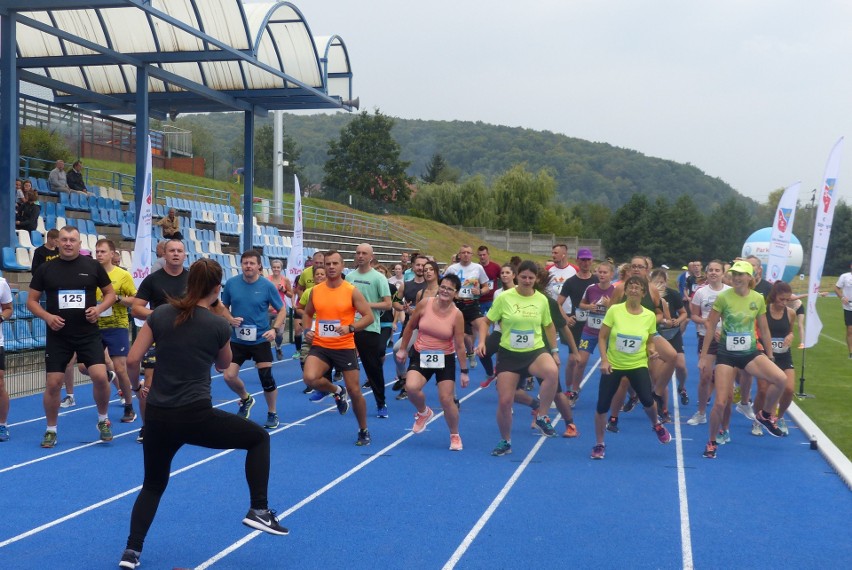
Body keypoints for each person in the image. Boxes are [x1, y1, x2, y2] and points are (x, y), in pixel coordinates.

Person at [119, 259, 287, 570]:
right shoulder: (218, 325)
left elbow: (132, 359)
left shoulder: (160, 315)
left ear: (188, 283)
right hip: (195, 416)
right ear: (215, 288)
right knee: (258, 438)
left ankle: (131, 552)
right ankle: (259, 510)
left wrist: (138, 385)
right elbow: (224, 364)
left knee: (153, 484)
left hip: (157, 415)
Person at [27, 226, 117, 448]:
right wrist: (48, 317)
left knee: (99, 376)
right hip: (59, 336)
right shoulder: (46, 269)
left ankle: (103, 419)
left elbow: (110, 294)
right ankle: (51, 429)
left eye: (72, 240)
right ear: (57, 243)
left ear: (79, 243)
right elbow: (31, 301)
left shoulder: (93, 266)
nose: (68, 243)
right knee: (53, 383)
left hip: (87, 334)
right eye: (64, 240)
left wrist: (98, 309)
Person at [699, 260, 788, 460]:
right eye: (734, 274)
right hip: (726, 354)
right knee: (721, 402)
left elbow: (764, 328)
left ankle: (765, 415)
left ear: (750, 277)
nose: (737, 278)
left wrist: (770, 354)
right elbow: (711, 326)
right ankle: (712, 441)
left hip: (749, 353)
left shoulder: (757, 298)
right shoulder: (723, 298)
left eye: (741, 274)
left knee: (780, 379)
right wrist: (705, 357)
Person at [477, 260, 561, 456]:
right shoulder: (504, 298)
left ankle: (542, 416)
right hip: (509, 354)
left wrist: (555, 351)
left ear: (536, 279)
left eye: (531, 278)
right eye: (523, 277)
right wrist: (482, 342)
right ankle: (505, 441)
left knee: (552, 372)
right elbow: (485, 321)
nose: (527, 280)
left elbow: (548, 325)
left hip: (534, 351)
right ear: (517, 276)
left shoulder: (541, 300)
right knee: (505, 401)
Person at [590, 275, 672, 459]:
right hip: (614, 365)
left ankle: (656, 425)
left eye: (638, 287)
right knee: (602, 405)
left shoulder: (649, 316)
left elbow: (650, 341)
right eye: (630, 287)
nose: (633, 290)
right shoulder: (615, 311)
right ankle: (599, 444)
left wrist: (652, 351)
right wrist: (604, 360)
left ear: (643, 293)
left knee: (647, 400)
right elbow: (602, 337)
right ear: (625, 291)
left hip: (637, 364)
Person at [301, 250, 375, 446]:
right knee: (309, 377)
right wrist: (308, 329)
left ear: (342, 267)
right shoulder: (316, 291)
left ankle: (363, 429)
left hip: (344, 346)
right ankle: (336, 390)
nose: (331, 267)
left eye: (335, 264)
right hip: (321, 345)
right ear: (322, 267)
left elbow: (369, 316)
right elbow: (307, 313)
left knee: (355, 390)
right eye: (328, 264)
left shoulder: (351, 290)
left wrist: (351, 327)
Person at [396, 273, 469, 450]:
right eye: (442, 287)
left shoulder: (457, 315)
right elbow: (410, 326)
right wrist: (403, 348)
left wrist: (464, 372)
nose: (444, 291)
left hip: (444, 357)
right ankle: (424, 412)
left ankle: (455, 435)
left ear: (456, 294)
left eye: (449, 289)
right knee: (411, 387)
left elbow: (459, 345)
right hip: (422, 353)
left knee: (446, 399)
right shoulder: (425, 304)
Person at [131, 239, 190, 443]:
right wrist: (158, 314)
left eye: (179, 251)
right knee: (149, 385)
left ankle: (182, 424)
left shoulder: (193, 280)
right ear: (164, 254)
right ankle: (148, 426)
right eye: (171, 250)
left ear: (185, 255)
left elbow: (208, 305)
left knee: (185, 385)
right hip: (158, 338)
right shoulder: (153, 280)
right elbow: (136, 308)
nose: (175, 254)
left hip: (187, 339)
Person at [221, 251, 288, 429]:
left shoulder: (267, 286)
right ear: (241, 265)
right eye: (245, 263)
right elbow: (223, 307)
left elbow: (282, 310)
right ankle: (246, 398)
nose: (248, 266)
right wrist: (230, 318)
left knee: (266, 378)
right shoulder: (231, 284)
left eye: (252, 263)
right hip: (238, 339)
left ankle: (272, 412)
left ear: (259, 266)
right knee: (228, 375)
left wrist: (274, 329)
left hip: (260, 338)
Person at [92, 239, 138, 423]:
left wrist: (116, 298)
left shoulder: (122, 275)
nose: (99, 255)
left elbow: (135, 299)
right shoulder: (90, 273)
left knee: (120, 368)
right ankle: (107, 375)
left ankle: (128, 406)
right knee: (84, 367)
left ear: (112, 254)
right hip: (95, 326)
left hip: (116, 325)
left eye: (103, 251)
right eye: (97, 251)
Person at [346, 244, 392, 418]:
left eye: (364, 253)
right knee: (339, 362)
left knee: (372, 368)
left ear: (371, 257)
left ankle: (381, 402)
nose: (360, 256)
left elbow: (387, 304)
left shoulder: (378, 278)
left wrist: (365, 305)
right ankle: (335, 392)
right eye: (358, 253)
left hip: (369, 327)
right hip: (348, 327)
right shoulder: (349, 277)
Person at [570, 261, 615, 414]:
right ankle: (574, 391)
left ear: (611, 275)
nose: (601, 275)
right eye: (600, 272)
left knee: (612, 364)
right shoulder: (590, 288)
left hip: (608, 333)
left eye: (605, 272)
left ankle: (615, 394)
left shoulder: (615, 291)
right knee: (580, 362)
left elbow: (621, 311)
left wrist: (610, 306)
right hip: (589, 331)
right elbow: (581, 304)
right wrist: (589, 307)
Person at [754, 281, 797, 436]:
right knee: (763, 390)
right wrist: (761, 347)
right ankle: (758, 418)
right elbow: (756, 333)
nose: (784, 303)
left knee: (789, 389)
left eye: (787, 300)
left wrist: (790, 336)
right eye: (781, 299)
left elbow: (790, 331)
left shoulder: (790, 313)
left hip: (784, 355)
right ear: (774, 297)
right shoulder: (763, 312)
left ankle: (777, 418)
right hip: (765, 356)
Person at [557, 247, 597, 400]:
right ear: (577, 261)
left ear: (591, 261)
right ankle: (568, 389)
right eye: (583, 259)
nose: (586, 263)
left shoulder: (596, 281)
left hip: (593, 325)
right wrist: (566, 319)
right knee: (573, 359)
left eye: (588, 260)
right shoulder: (571, 282)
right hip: (576, 325)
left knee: (581, 360)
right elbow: (558, 303)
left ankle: (574, 390)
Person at [444, 245, 490, 366]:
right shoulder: (452, 269)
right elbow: (443, 286)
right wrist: (452, 294)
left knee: (484, 329)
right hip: (457, 305)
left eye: (468, 252)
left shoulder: (478, 268)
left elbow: (486, 287)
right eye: (463, 252)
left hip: (472, 304)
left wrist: (479, 291)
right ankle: (470, 352)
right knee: (465, 336)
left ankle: (486, 352)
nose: (465, 255)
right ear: (459, 255)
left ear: (472, 255)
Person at [650, 268, 689, 407]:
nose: (660, 285)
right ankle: (662, 405)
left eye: (662, 282)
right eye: (656, 282)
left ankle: (681, 387)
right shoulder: (649, 296)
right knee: (657, 372)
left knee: (681, 365)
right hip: (657, 334)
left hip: (672, 333)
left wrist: (678, 321)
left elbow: (683, 313)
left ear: (666, 282)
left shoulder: (672, 294)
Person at [479, 263, 517, 387]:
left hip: (516, 332)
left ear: (514, 275)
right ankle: (491, 374)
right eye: (502, 273)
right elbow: (495, 313)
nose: (504, 275)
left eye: (507, 272)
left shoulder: (519, 291)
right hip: (500, 331)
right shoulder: (497, 293)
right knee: (483, 353)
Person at [267, 259, 293, 360]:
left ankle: (278, 347)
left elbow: (291, 295)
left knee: (280, 334)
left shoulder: (285, 280)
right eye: (274, 267)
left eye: (278, 267)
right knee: (265, 333)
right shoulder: (266, 279)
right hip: (268, 310)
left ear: (281, 269)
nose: (276, 269)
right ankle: (266, 353)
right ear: (271, 268)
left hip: (280, 310)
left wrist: (284, 290)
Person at [0, 277, 13, 441]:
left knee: (0, 382)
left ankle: (2, 424)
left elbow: (9, 308)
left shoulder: (2, 283)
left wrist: (2, 317)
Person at [476, 245, 502, 314]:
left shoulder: (495, 267)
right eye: (480, 255)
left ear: (488, 254)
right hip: (479, 301)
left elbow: (503, 279)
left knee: (493, 323)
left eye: (484, 255)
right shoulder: (475, 268)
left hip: (492, 300)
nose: (482, 257)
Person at [835, 261, 852, 359]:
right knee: (850, 329)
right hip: (848, 306)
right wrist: (842, 297)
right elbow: (836, 288)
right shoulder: (844, 276)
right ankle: (851, 352)